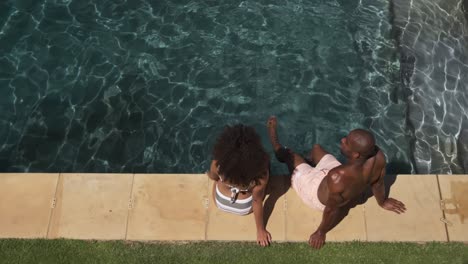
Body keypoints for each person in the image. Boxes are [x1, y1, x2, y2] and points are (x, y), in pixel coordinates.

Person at [266, 116, 406, 249]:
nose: (343, 140)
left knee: (289, 155)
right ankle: (306, 163)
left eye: (347, 143)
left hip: (313, 189)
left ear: (356, 154)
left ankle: (276, 143)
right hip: (335, 173)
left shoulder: (337, 178)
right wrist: (382, 201)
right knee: (316, 149)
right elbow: (378, 183)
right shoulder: (378, 157)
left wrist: (321, 232)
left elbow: (331, 209)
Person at [206, 124, 272, 246]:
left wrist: (223, 179)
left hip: (220, 200)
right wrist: (260, 230)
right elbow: (257, 202)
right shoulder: (260, 176)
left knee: (221, 180)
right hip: (243, 208)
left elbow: (213, 177)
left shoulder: (217, 165)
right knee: (266, 170)